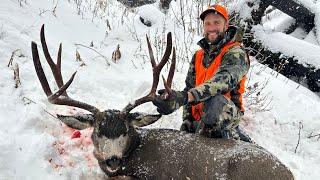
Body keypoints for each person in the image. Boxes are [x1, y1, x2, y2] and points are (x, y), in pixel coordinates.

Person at [153, 4, 251, 141]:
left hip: (224, 114)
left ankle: (231, 136)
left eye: (217, 22)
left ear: (226, 25)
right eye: (207, 23)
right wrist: (185, 117)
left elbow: (222, 82)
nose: (211, 28)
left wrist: (186, 97)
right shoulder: (199, 55)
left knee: (215, 102)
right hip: (200, 117)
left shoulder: (236, 53)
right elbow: (189, 88)